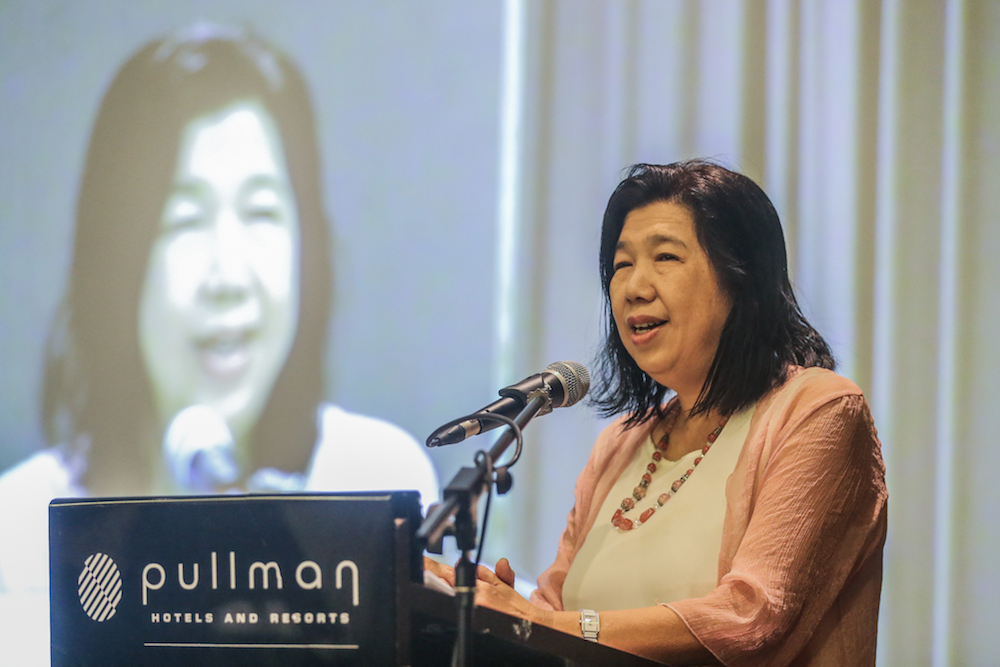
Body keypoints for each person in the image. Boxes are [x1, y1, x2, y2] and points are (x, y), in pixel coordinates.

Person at [0, 23, 438, 664]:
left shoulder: (372, 482)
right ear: (117, 258)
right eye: (185, 219)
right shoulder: (21, 525)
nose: (228, 274)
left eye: (261, 212)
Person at [428, 160, 887, 666]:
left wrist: (548, 624)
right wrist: (489, 609)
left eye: (665, 257)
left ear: (741, 279)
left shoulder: (818, 411)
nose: (633, 287)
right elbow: (550, 612)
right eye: (622, 265)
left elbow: (752, 617)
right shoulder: (621, 444)